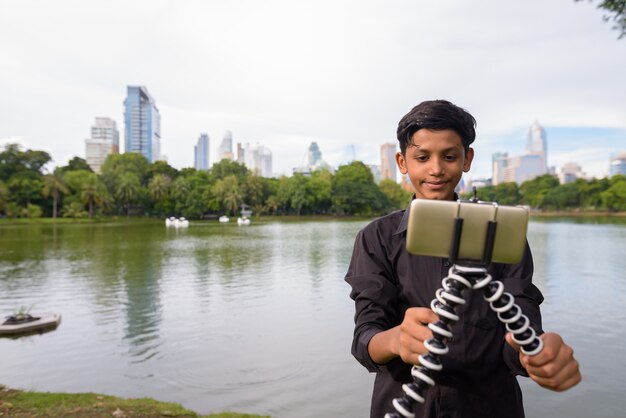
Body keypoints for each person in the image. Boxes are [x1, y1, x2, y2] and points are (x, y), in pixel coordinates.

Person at [345, 100, 581, 418]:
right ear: (402, 161)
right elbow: (365, 337)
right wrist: (396, 340)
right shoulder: (376, 239)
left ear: (467, 159)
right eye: (422, 157)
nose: (436, 169)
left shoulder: (502, 234)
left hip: (490, 407)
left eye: (450, 156)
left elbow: (520, 318)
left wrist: (534, 352)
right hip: (407, 406)